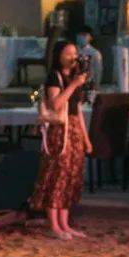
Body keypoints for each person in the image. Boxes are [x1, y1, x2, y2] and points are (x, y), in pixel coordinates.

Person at [31, 41, 92, 239]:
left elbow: (77, 110)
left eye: (75, 53)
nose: (73, 57)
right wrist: (73, 85)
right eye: (68, 53)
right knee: (57, 174)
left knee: (71, 176)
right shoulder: (54, 77)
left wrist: (86, 138)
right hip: (59, 130)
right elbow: (55, 104)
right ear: (59, 56)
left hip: (74, 129)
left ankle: (65, 223)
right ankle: (54, 225)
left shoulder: (75, 76)